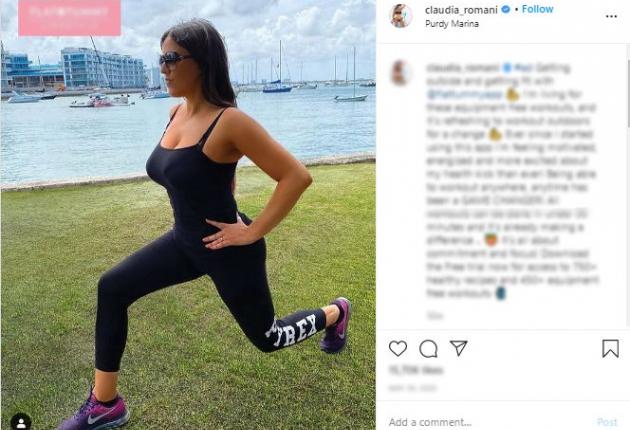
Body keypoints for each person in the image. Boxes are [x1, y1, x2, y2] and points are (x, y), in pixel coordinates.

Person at [57, 18, 352, 430]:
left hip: (229, 249)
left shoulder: (230, 121)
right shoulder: (175, 112)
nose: (163, 67)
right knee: (112, 288)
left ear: (202, 61)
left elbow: (295, 176)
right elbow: (208, 173)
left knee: (268, 338)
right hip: (184, 243)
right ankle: (105, 404)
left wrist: (251, 231)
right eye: (161, 58)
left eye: (171, 58)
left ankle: (336, 312)